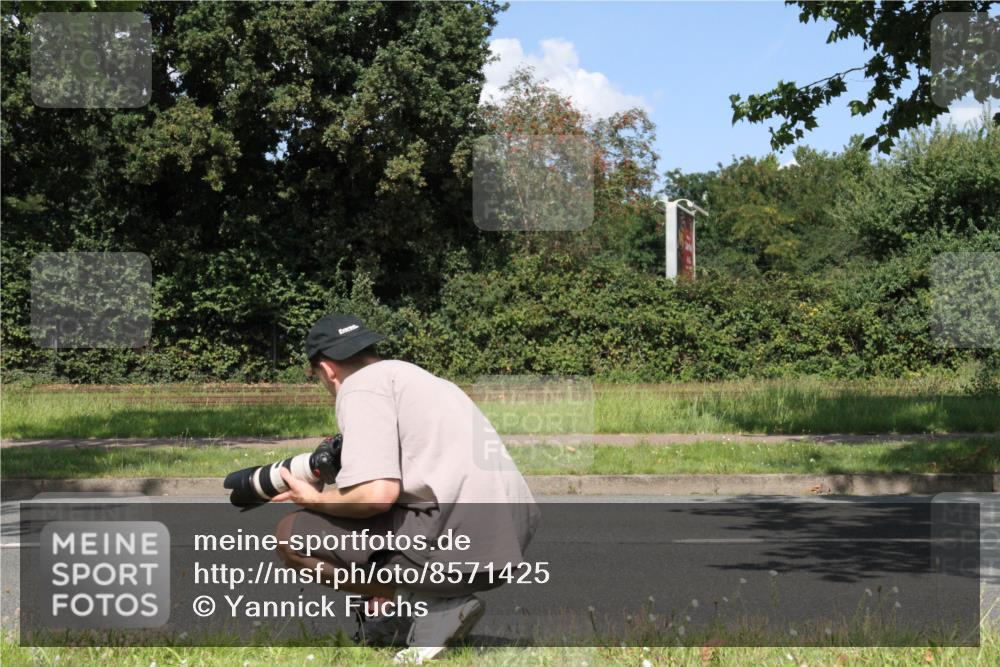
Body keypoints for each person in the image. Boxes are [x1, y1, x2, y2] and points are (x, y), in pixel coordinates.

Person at [273, 313, 540, 663]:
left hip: (464, 544)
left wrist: (315, 499)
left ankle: (427, 607)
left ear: (326, 369)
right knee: (371, 527)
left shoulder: (360, 387)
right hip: (507, 540)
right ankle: (411, 616)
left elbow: (377, 494)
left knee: (290, 534)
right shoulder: (424, 381)